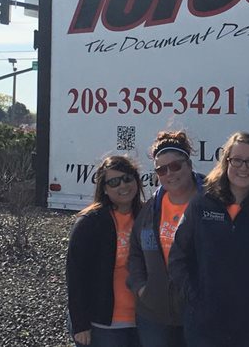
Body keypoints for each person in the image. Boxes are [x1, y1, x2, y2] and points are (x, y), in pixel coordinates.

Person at [169, 132, 249, 347]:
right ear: (226, 161)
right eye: (237, 160)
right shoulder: (202, 203)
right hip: (206, 326)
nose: (243, 168)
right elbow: (178, 256)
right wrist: (195, 299)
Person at [127, 131, 203, 347]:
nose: (169, 173)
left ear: (188, 165)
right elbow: (135, 252)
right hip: (154, 315)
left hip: (199, 314)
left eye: (176, 166)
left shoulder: (211, 204)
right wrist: (141, 288)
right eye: (162, 169)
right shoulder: (150, 209)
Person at [66, 155, 144, 347]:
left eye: (127, 178)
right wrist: (80, 324)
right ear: (104, 189)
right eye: (114, 182)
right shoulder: (90, 222)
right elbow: (75, 276)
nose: (123, 186)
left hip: (143, 321)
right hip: (104, 323)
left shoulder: (147, 215)